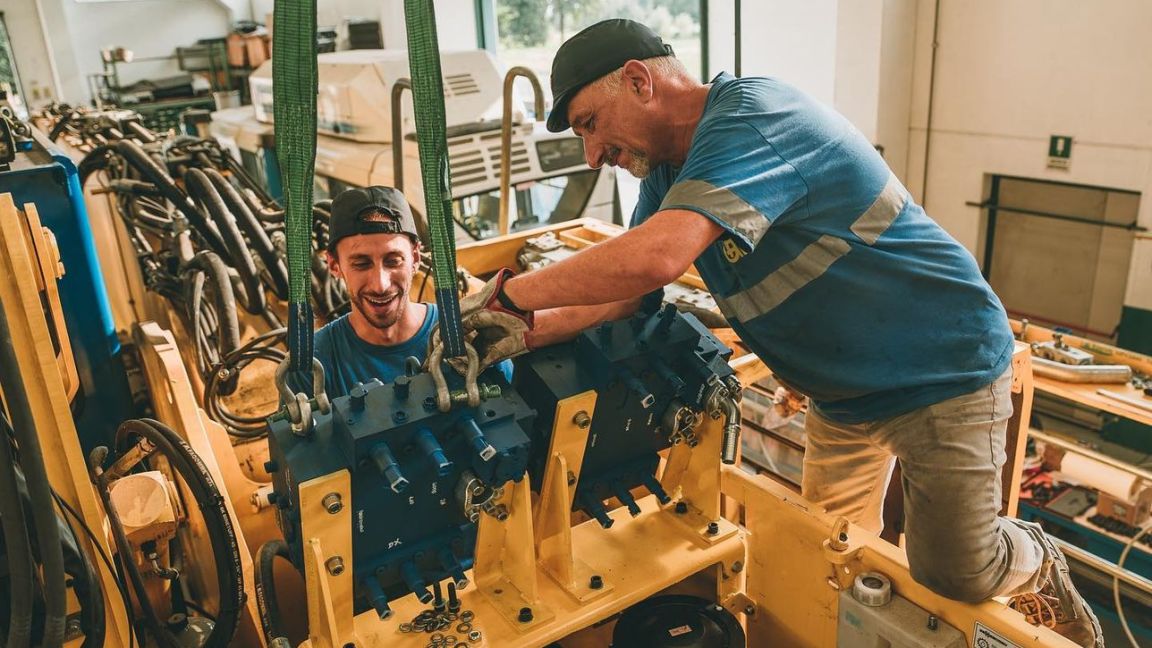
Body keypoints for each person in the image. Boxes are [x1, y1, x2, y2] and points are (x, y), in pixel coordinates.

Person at [430, 19, 1102, 647]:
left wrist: (512, 293)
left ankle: (1039, 558)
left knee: (955, 570)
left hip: (941, 373)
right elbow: (625, 295)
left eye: (590, 124)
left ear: (638, 81)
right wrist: (519, 333)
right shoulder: (669, 172)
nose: (592, 154)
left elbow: (658, 256)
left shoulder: (757, 117)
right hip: (843, 398)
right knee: (828, 552)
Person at [295, 185, 508, 400]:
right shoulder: (310, 365)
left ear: (415, 258)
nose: (380, 285)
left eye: (393, 261)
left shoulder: (469, 335)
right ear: (334, 265)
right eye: (361, 264)